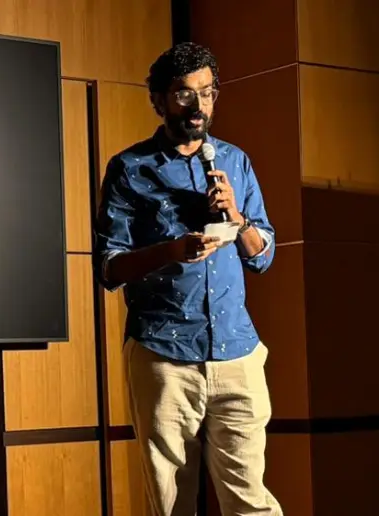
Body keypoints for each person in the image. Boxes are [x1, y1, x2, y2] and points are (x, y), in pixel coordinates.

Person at [93, 42, 283, 515]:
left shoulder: (234, 162)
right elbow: (110, 268)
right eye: (184, 94)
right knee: (172, 504)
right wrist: (173, 251)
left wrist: (237, 217)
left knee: (252, 503)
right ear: (159, 100)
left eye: (208, 92)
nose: (199, 106)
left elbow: (263, 255)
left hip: (237, 353)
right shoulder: (129, 169)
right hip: (164, 355)